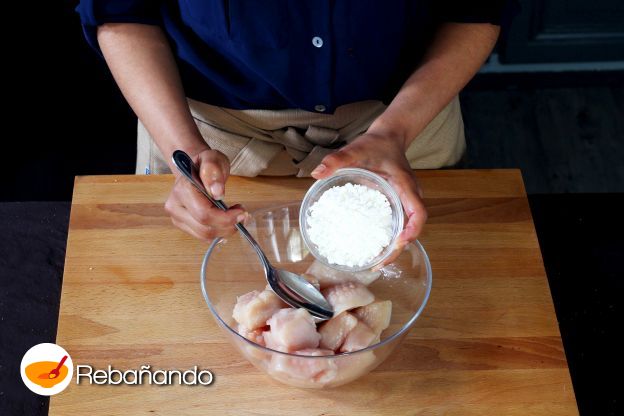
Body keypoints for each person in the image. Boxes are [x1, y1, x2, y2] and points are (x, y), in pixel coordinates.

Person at [77, 1, 509, 262]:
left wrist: (394, 132)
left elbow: (475, 9)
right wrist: (184, 150)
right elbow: (121, 13)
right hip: (209, 134)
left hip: (407, 119)